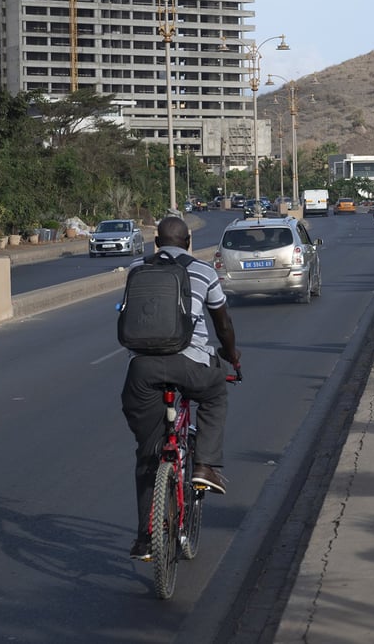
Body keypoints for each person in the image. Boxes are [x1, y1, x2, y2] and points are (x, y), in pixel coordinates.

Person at [120, 216, 240, 560]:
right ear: (188, 241)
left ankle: (145, 539)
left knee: (148, 452)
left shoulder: (135, 269)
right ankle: (204, 466)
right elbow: (223, 323)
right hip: (192, 366)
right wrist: (232, 357)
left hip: (141, 369)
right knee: (216, 394)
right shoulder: (204, 273)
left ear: (155, 243)